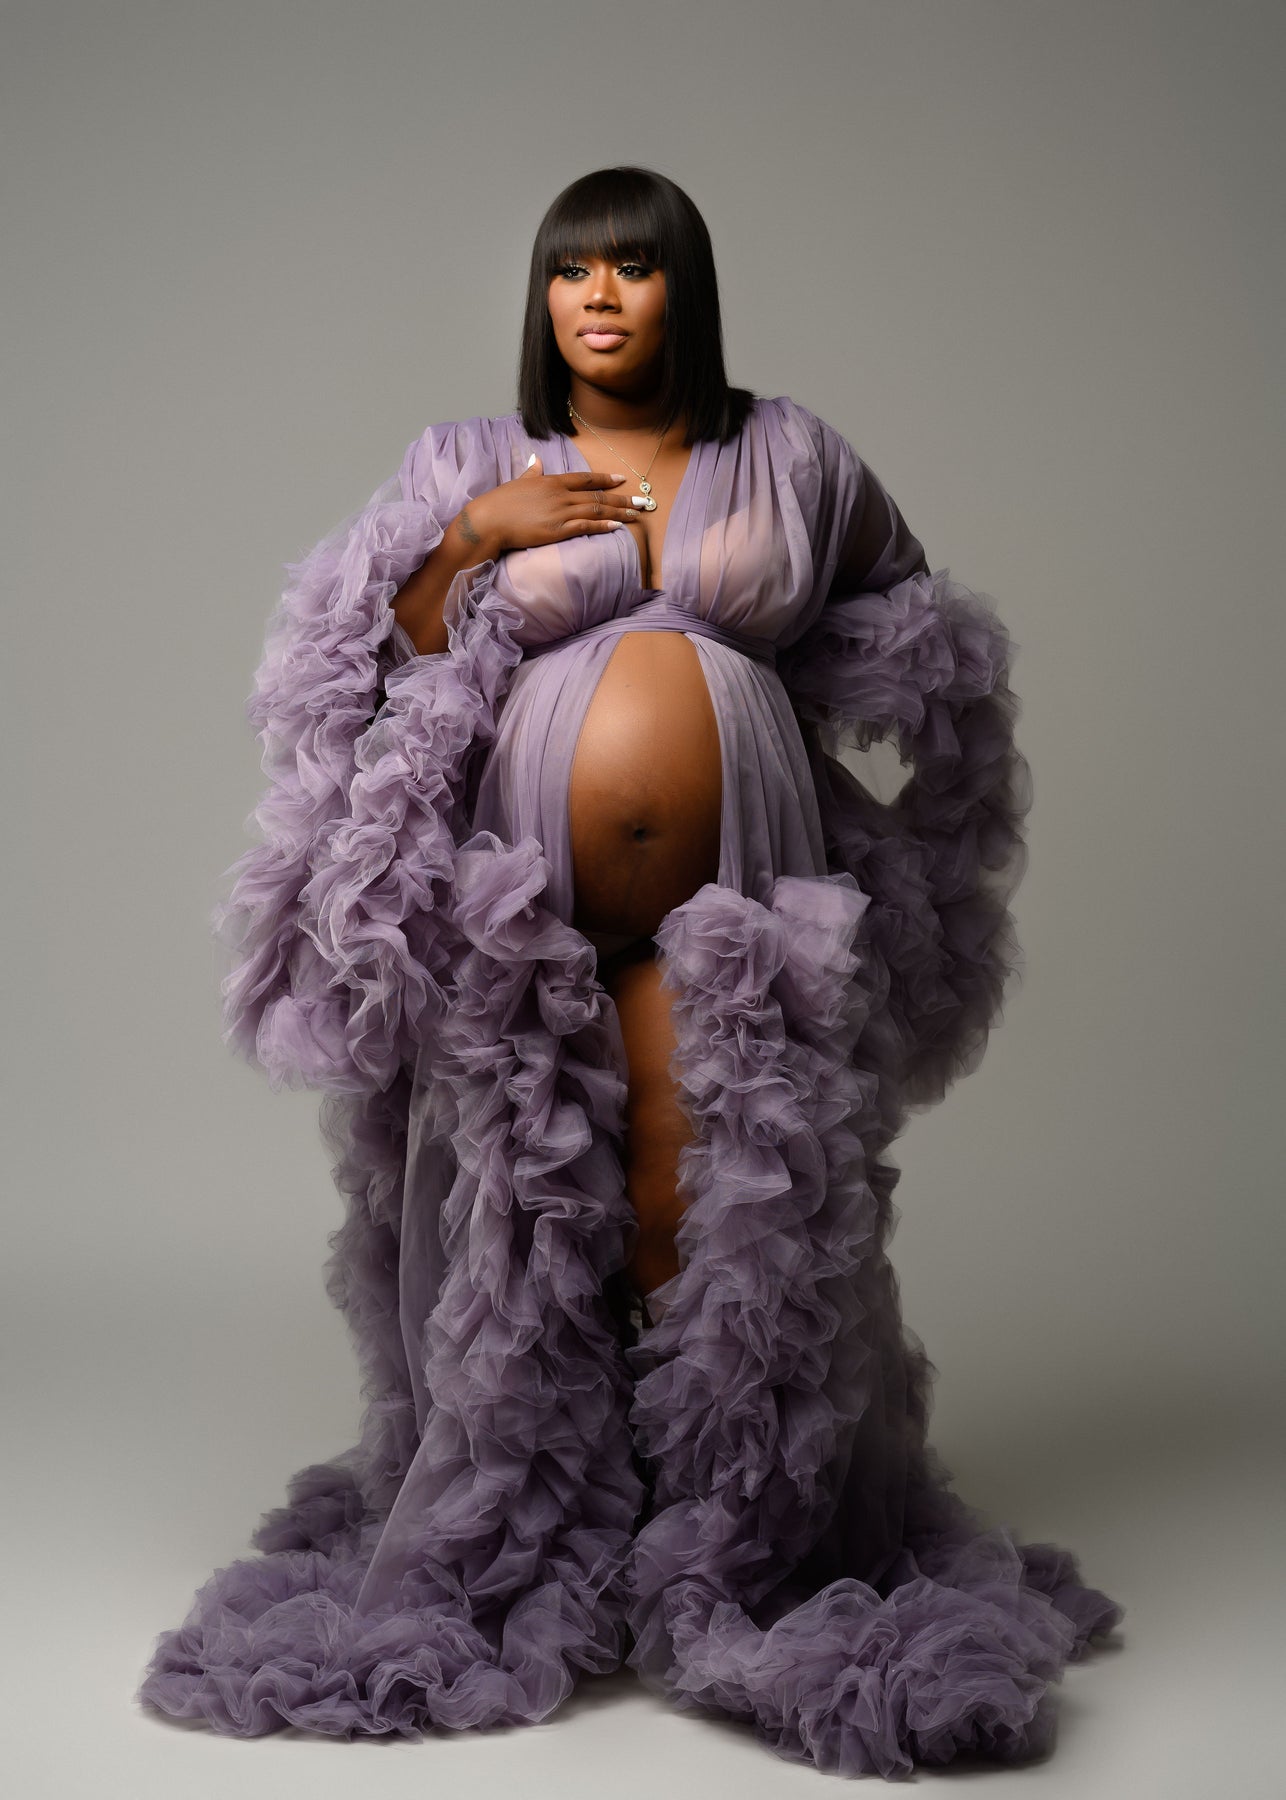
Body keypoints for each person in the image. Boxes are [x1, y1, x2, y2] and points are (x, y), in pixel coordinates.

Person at [136, 166, 1124, 1777]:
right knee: (521, 1217)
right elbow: (360, 662)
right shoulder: (471, 460)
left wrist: (899, 793)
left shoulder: (791, 453)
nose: (598, 296)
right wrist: (474, 543)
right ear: (544, 298)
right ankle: (547, 1541)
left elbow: (919, 630)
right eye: (571, 270)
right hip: (525, 895)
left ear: (682, 290)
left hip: (738, 895)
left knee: (707, 1206)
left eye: (631, 268)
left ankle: (718, 1548)